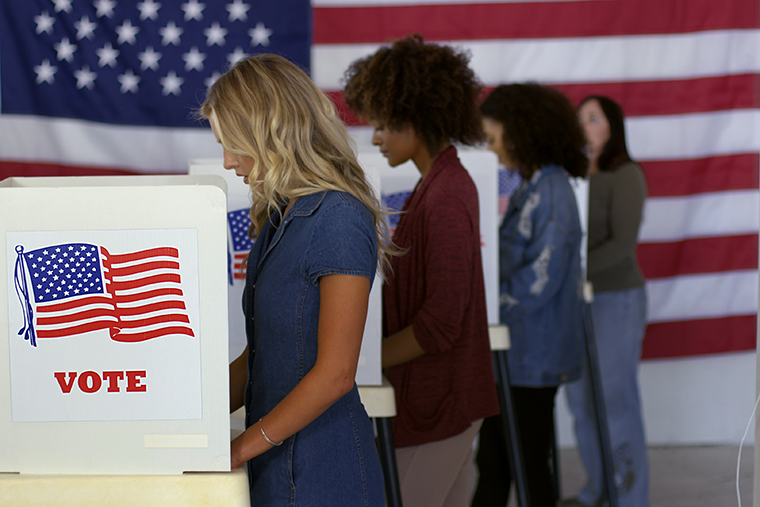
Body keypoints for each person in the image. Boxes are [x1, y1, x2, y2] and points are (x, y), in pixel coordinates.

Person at [201, 54, 391, 506]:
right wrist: (187, 423)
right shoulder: (279, 217)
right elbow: (258, 358)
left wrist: (238, 449)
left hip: (324, 472)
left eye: (233, 144)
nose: (227, 162)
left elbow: (336, 375)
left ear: (271, 133)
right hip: (275, 463)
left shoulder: (339, 216)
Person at [343, 34, 500, 507]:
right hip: (441, 399)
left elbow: (442, 321)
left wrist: (358, 364)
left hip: (442, 401)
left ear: (417, 116)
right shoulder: (437, 186)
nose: (374, 137)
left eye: (384, 124)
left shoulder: (447, 194)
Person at [473, 83, 588, 507]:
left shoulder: (552, 192)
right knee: (498, 461)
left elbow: (540, 279)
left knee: (525, 464)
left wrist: (482, 309)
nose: (492, 150)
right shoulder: (532, 186)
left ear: (521, 132)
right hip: (517, 353)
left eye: (493, 139)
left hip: (533, 356)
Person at [561, 96, 649, 507]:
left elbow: (622, 246)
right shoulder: (570, 176)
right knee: (581, 401)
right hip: (574, 302)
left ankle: (630, 497)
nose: (584, 125)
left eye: (593, 119)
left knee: (615, 399)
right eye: (580, 119)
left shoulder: (626, 175)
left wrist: (573, 271)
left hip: (616, 299)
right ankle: (599, 489)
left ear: (612, 127)